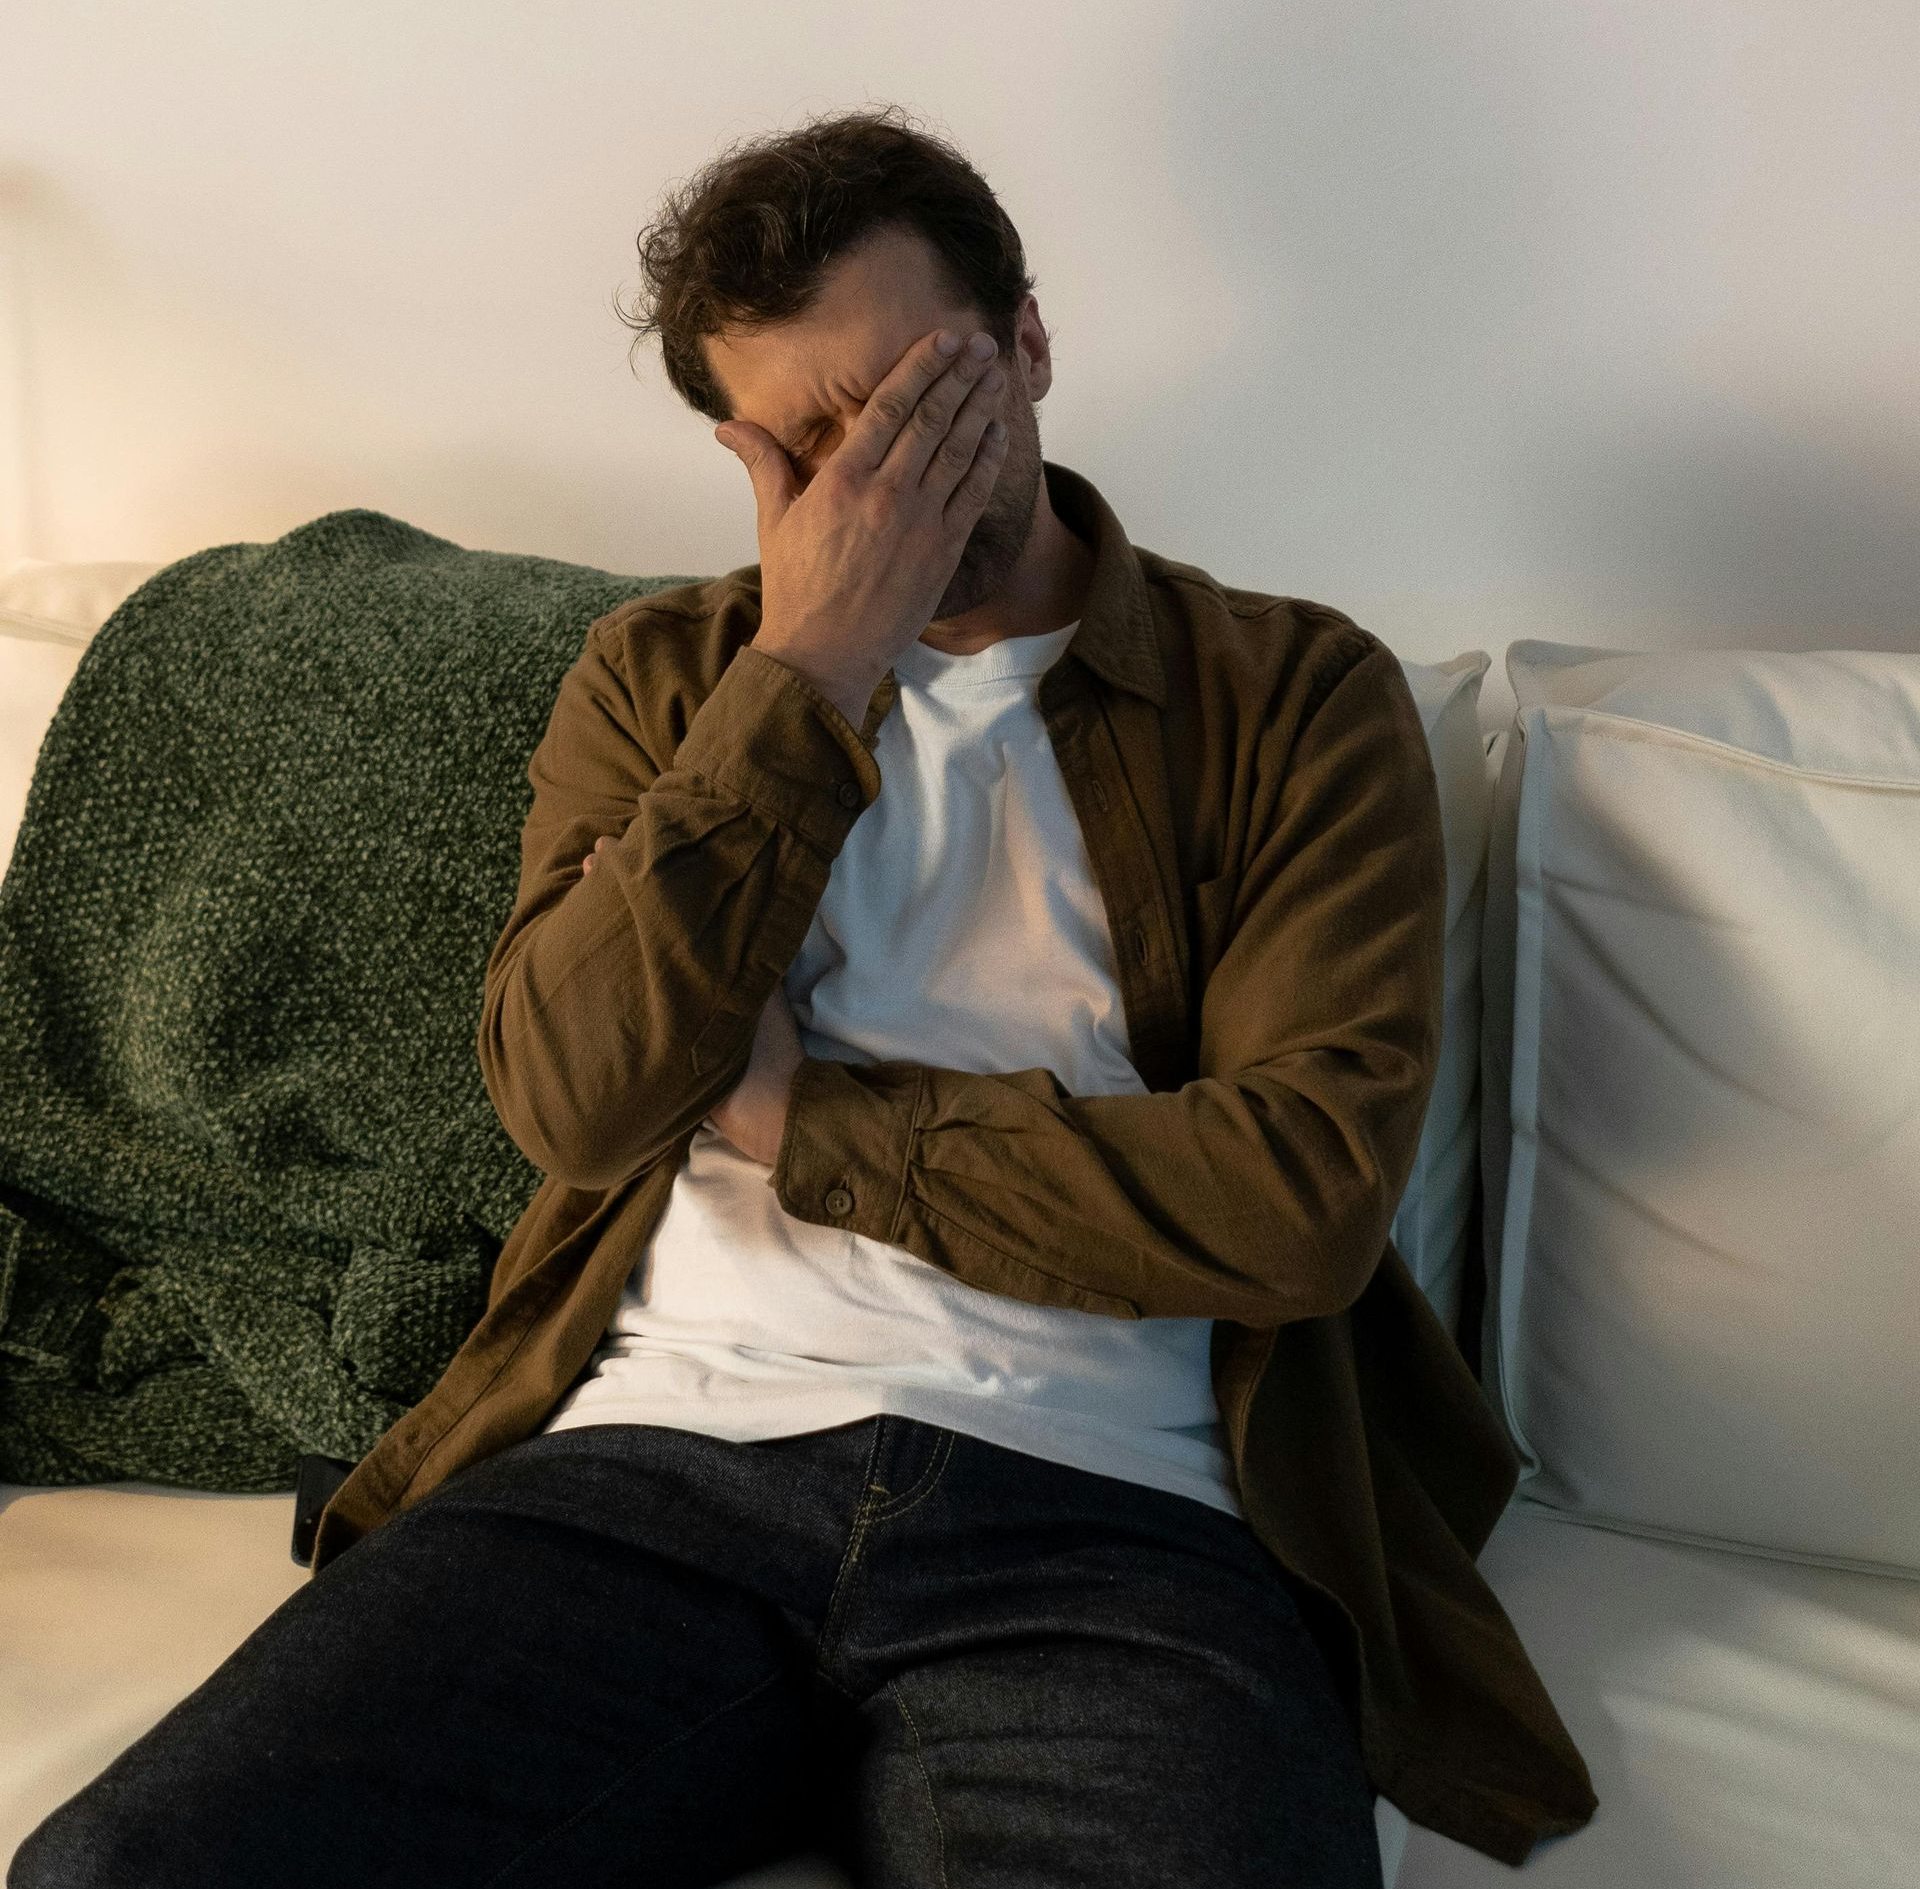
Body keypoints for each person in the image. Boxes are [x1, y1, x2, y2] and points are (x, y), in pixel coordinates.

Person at [10, 103, 1594, 1889]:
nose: (882, 484)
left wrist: (792, 1120)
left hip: (1122, 1525)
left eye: (921, 402)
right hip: (653, 1471)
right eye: (818, 441)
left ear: (1031, 344)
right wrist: (813, 663)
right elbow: (576, 1097)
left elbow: (1297, 1202)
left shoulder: (1295, 692)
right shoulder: (670, 677)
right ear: (742, 454)